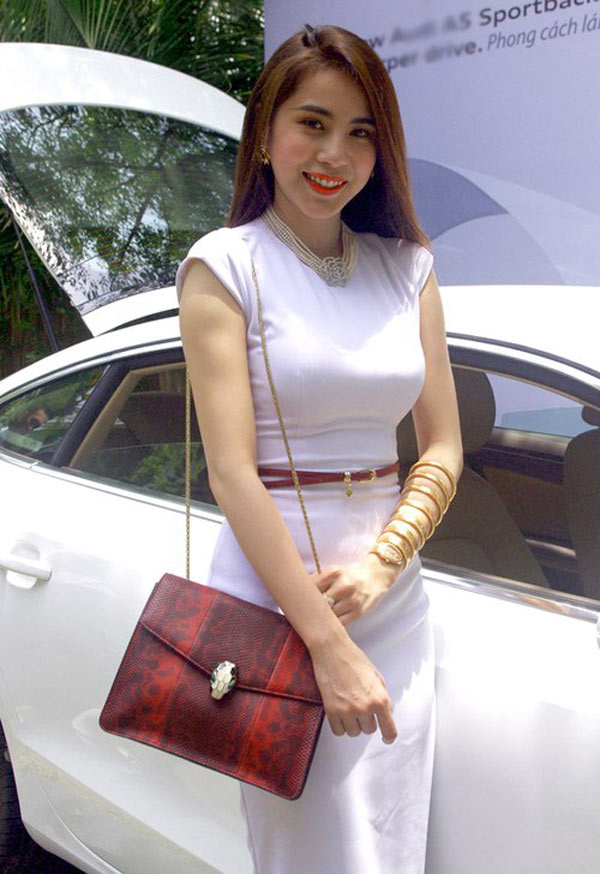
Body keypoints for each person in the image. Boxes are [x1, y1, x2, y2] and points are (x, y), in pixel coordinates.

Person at [176, 23, 463, 874]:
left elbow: (443, 447)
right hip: (277, 610)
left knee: (389, 846)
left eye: (361, 131)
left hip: (393, 604)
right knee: (308, 853)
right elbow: (232, 473)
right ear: (265, 134)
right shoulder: (225, 266)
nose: (335, 153)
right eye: (312, 123)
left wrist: (383, 565)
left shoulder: (408, 268)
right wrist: (327, 644)